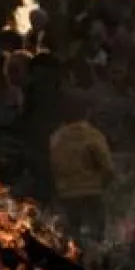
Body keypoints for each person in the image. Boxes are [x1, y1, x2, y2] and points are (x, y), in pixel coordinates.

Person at [50, 93, 113, 242]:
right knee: (96, 236)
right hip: (92, 192)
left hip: (66, 194)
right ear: (87, 112)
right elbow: (105, 164)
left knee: (72, 236)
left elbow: (54, 165)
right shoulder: (92, 135)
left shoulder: (56, 137)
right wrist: (106, 181)